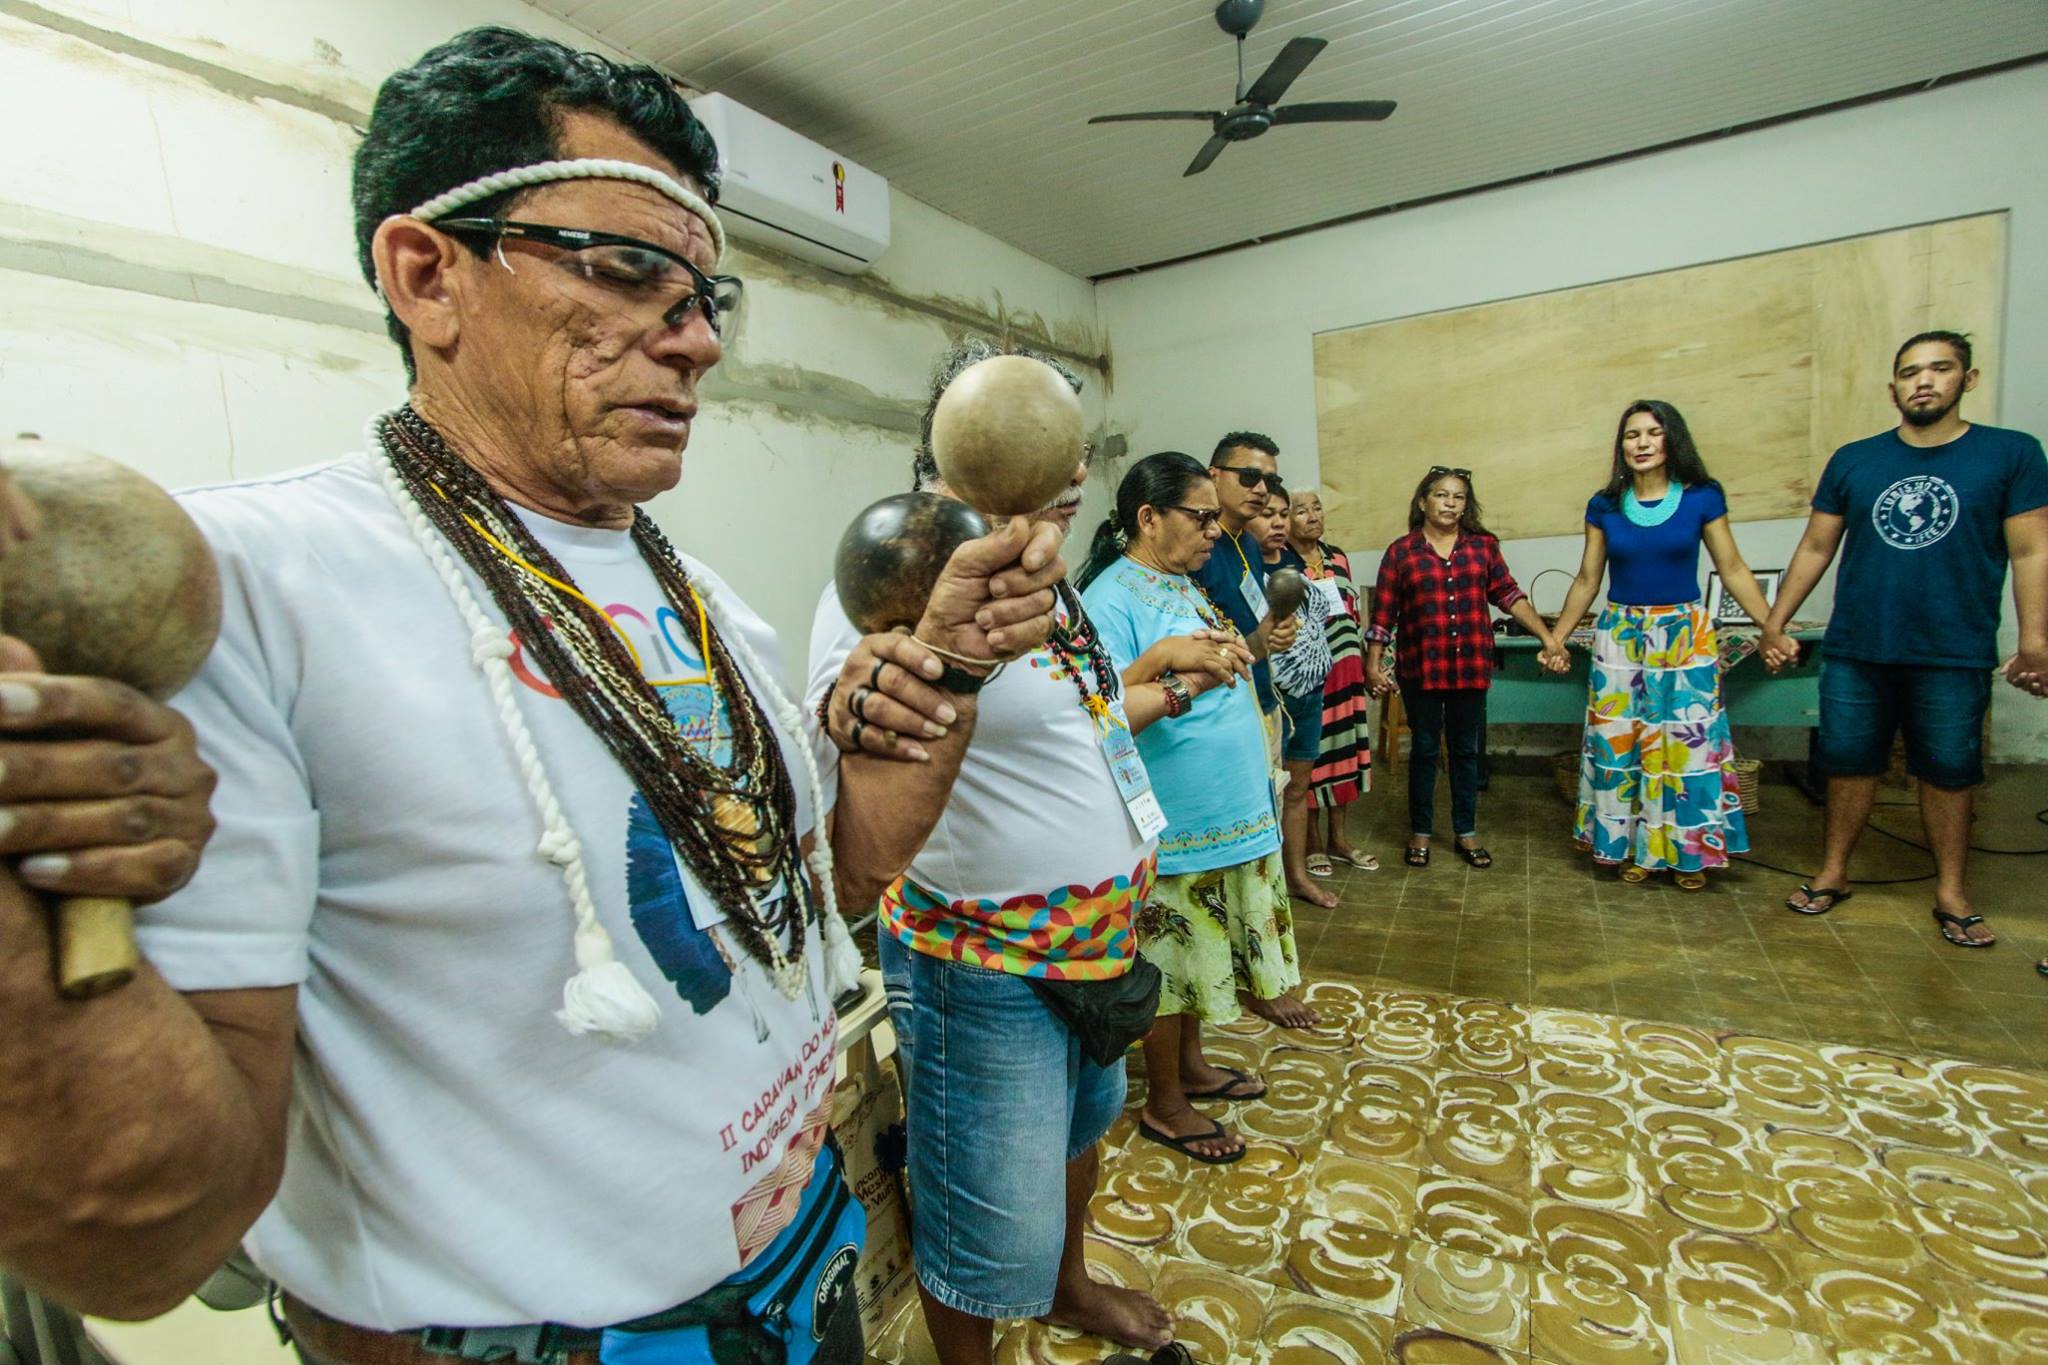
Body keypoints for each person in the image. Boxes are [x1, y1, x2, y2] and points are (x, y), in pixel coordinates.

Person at [0, 29, 1066, 1365]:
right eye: (629, 271)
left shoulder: (704, 601)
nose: (693, 343)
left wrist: (952, 674)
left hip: (796, 1278)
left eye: (707, 300)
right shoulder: (259, 593)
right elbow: (141, 1235)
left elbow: (813, 895)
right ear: (427, 273)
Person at [805, 342, 1241, 1364]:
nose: (1074, 470)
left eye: (1072, 444)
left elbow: (1080, 721)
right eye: (1047, 440)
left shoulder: (1040, 565)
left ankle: (1066, 1287)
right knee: (978, 1210)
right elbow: (845, 733)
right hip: (983, 960)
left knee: (1078, 1139)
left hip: (1097, 935)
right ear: (965, 444)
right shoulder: (891, 570)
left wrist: (1168, 676)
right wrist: (904, 676)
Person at [1763, 331, 2048, 949]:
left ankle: (1951, 890)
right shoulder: (1856, 460)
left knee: (1949, 770)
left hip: (1952, 648)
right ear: (1892, 387)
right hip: (1857, 646)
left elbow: (2031, 549)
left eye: (1939, 369)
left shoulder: (2011, 454)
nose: (1923, 381)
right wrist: (1774, 621)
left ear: (1966, 380)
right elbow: (1816, 546)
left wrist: (2035, 640)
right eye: (1909, 372)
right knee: (1847, 763)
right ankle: (1834, 871)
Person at [1079, 453, 1312, 1166]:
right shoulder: (1110, 596)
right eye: (1201, 516)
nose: (1217, 529)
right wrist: (1175, 664)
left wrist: (1252, 645)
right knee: (1172, 967)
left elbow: (1211, 670)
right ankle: (1167, 1104)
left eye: (1217, 516)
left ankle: (1196, 1070)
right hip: (1177, 820)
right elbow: (1102, 704)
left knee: (1198, 961)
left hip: (1227, 811)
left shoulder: (1182, 582)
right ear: (1148, 518)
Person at [1547, 401, 1786, 890]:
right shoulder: (1604, 505)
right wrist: (1557, 638)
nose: (1640, 443)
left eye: (1652, 433)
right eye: (1631, 435)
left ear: (1670, 440)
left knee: (1686, 751)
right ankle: (1635, 850)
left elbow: (1734, 568)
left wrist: (1771, 626)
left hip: (1683, 637)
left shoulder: (1702, 497)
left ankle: (1686, 854)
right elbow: (1588, 579)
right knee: (1624, 748)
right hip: (1621, 639)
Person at [1364, 467, 1566, 870]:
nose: (1450, 503)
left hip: (1471, 665)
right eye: (1441, 495)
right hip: (1421, 667)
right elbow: (1383, 615)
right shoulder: (1401, 552)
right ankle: (1420, 831)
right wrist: (1373, 664)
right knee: (1423, 749)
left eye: (1458, 497)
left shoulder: (1483, 547)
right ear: (1423, 501)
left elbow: (1509, 594)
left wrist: (1550, 638)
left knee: (1466, 751)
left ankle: (1465, 831)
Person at [1188, 433, 1315, 1026]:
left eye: (1269, 479)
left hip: (1257, 704)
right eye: (1249, 477)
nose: (1263, 489)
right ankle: (1251, 979)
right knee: (1239, 856)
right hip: (1218, 710)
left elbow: (1248, 628)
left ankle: (1261, 971)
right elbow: (1197, 643)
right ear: (1215, 475)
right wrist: (1259, 642)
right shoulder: (1203, 547)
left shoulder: (1238, 546)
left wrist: (1269, 636)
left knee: (1258, 848)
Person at [1284, 488, 1376, 876]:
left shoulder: (1337, 557)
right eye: (1300, 510)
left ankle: (1340, 838)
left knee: (1346, 756)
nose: (1311, 516)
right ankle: (1314, 843)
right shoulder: (1282, 563)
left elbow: (1352, 613)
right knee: (1314, 759)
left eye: (1316, 507)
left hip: (1348, 671)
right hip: (1311, 677)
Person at [1254, 496, 1337, 908]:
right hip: (1272, 699)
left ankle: (1297, 877)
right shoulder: (1246, 573)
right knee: (1270, 789)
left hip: (1309, 692)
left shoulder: (1295, 564)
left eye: (1282, 514)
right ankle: (1267, 887)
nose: (1277, 523)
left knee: (1299, 786)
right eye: (1266, 514)